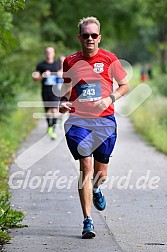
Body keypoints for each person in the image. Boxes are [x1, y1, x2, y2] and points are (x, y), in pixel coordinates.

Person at [59, 16, 129, 238]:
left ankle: (97, 189)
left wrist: (110, 99)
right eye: (85, 35)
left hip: (105, 122)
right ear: (79, 37)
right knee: (86, 168)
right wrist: (63, 102)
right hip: (79, 121)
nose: (89, 39)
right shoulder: (70, 61)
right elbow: (66, 88)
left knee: (100, 174)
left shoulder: (109, 59)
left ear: (99, 37)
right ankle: (87, 220)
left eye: (93, 35)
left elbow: (125, 85)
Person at [32, 47, 60, 139]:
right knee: (47, 110)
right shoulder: (41, 65)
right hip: (45, 91)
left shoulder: (57, 65)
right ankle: (49, 126)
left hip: (55, 91)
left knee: (55, 110)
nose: (49, 54)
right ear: (45, 54)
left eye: (51, 52)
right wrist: (42, 76)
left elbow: (63, 75)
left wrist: (59, 74)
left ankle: (53, 128)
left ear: (54, 53)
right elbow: (35, 78)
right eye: (47, 52)